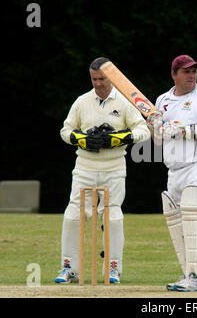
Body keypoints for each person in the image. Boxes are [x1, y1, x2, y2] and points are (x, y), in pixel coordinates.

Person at [55, 57, 150, 284]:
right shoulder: (82, 101)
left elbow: (143, 129)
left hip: (114, 167)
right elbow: (65, 130)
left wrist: (120, 138)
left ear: (112, 77)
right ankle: (69, 268)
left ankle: (113, 268)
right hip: (85, 167)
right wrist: (81, 139)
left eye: (102, 79)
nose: (98, 83)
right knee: (73, 215)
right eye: (94, 79)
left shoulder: (125, 101)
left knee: (112, 217)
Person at [146, 55, 197, 292]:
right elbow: (159, 140)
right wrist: (154, 126)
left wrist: (182, 130)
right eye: (186, 72)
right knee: (179, 225)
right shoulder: (162, 100)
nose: (192, 76)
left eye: (194, 71)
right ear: (174, 74)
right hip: (175, 169)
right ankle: (190, 273)